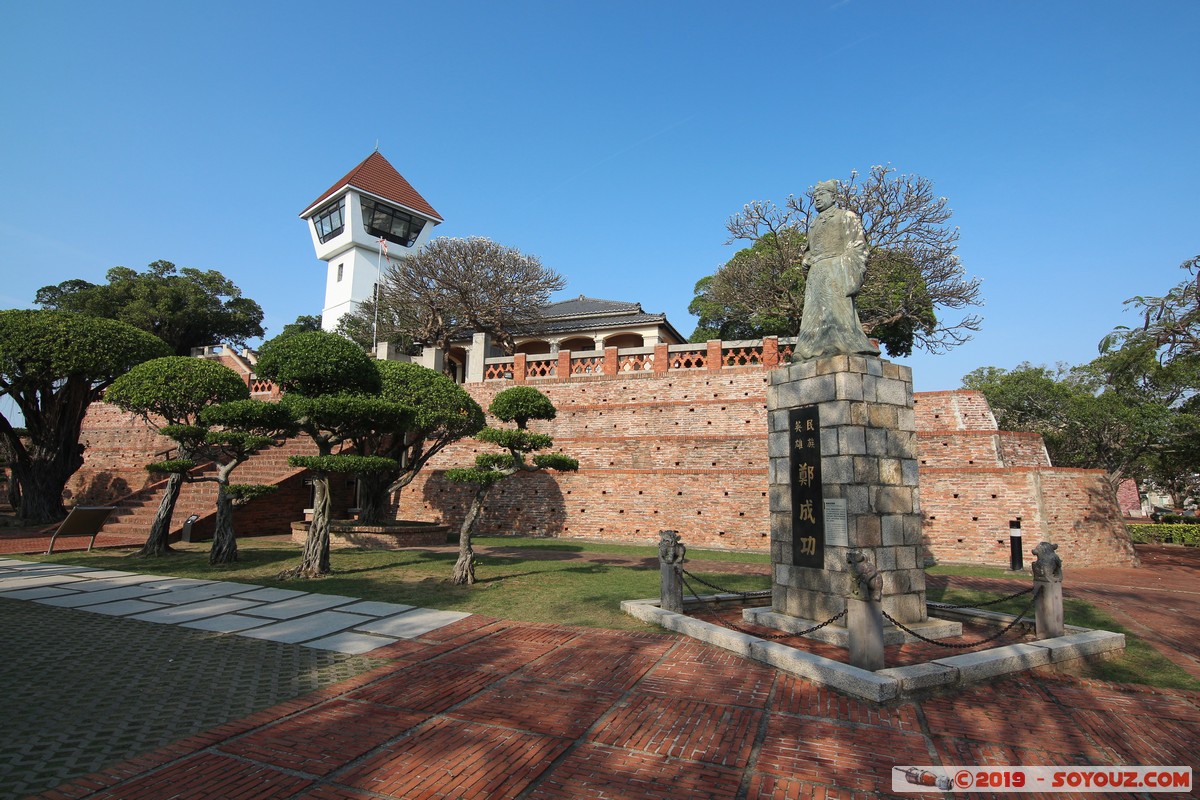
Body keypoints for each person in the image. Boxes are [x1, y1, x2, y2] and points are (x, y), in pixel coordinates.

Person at [792, 180, 880, 360]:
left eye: (821, 195)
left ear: (833, 196)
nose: (817, 199)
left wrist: (842, 266)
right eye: (815, 197)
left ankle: (841, 345)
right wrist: (807, 260)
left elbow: (858, 246)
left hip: (837, 271)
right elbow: (809, 250)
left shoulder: (846, 216)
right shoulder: (815, 223)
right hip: (816, 276)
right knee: (812, 315)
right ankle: (808, 350)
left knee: (837, 311)